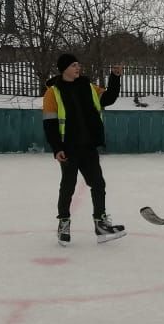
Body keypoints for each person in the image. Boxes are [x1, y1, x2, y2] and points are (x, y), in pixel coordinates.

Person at [42, 53, 125, 246]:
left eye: (78, 64)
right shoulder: (53, 92)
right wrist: (57, 148)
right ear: (64, 69)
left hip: (88, 147)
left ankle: (101, 224)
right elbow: (50, 124)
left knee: (98, 184)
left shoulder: (89, 87)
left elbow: (109, 98)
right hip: (68, 149)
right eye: (73, 65)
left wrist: (115, 77)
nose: (77, 68)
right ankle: (63, 223)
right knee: (68, 186)